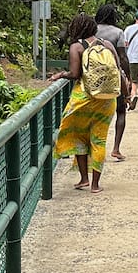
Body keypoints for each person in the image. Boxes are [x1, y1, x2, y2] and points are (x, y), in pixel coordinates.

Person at [48, 14, 122, 192]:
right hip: (106, 100)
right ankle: (95, 185)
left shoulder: (77, 47)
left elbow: (74, 74)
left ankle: (83, 179)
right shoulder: (107, 45)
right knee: (99, 139)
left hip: (84, 99)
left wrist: (60, 74)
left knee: (78, 137)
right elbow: (118, 69)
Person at [94, 3, 128, 161]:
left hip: (93, 77)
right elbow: (122, 57)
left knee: (93, 113)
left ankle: (94, 148)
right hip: (113, 77)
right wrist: (127, 77)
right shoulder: (118, 32)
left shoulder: (91, 30)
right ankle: (116, 149)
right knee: (121, 110)